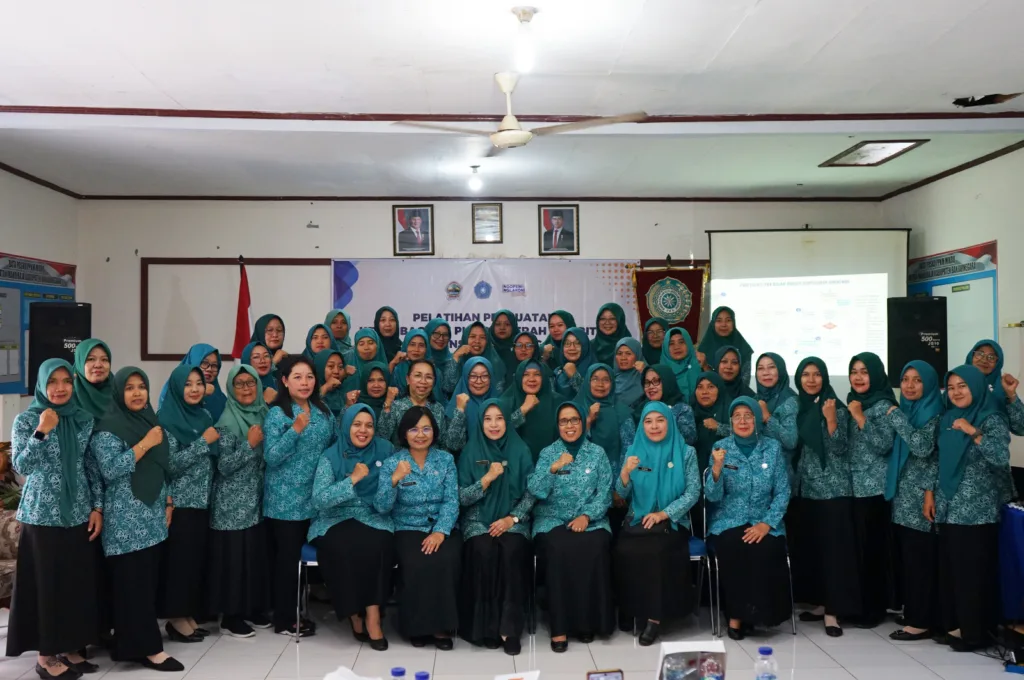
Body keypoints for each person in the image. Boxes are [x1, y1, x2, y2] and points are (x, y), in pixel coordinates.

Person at [7, 359, 103, 679]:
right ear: (42, 384)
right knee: (46, 587)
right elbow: (22, 466)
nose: (60, 388)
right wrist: (41, 431)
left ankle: (72, 648)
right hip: (42, 516)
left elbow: (90, 466)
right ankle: (46, 657)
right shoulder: (27, 419)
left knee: (74, 584)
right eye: (52, 382)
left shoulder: (82, 419)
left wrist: (97, 507)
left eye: (66, 381)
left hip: (77, 512)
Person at [90, 367, 182, 672]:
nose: (137, 393)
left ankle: (133, 644)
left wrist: (168, 501)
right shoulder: (108, 428)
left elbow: (161, 466)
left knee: (145, 584)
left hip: (153, 516)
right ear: (119, 393)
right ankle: (149, 649)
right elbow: (110, 470)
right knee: (133, 586)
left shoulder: (149, 420)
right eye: (129, 388)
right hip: (125, 522)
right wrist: (144, 444)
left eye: (141, 386)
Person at [934, 364, 1010, 652]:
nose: (955, 392)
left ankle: (976, 633)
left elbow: (1000, 456)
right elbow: (940, 459)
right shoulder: (948, 417)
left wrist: (972, 432)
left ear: (976, 387)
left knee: (974, 575)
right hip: (949, 506)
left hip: (977, 511)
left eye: (962, 386)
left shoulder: (991, 418)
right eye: (951, 387)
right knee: (954, 571)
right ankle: (957, 626)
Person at [529, 402, 615, 652]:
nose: (570, 425)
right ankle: (560, 628)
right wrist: (554, 468)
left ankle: (587, 622)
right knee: (559, 549)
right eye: (564, 421)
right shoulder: (548, 453)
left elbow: (605, 493)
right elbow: (536, 490)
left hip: (590, 520)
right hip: (552, 518)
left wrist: (587, 516)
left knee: (595, 546)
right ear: (557, 425)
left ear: (583, 423)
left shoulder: (597, 453)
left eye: (574, 420)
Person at [705, 397, 792, 640]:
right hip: (728, 519)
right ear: (731, 421)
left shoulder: (772, 448)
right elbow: (712, 496)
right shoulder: (721, 447)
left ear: (757, 419)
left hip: (764, 520)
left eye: (748, 416)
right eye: (737, 416)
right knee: (735, 546)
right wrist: (716, 469)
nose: (742, 421)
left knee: (766, 548)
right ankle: (736, 616)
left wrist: (766, 523)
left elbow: (783, 491)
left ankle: (760, 615)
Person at [614, 401, 700, 646]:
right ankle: (633, 608)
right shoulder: (634, 451)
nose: (654, 426)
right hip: (638, 519)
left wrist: (664, 513)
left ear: (669, 422)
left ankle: (654, 617)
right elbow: (621, 493)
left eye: (660, 420)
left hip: (672, 521)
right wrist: (625, 473)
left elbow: (693, 492)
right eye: (648, 421)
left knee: (655, 551)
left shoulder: (686, 453)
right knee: (624, 549)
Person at [374, 407, 461, 649]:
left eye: (426, 429)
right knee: (416, 562)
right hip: (407, 527)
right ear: (404, 433)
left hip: (442, 526)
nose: (420, 435)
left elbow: (451, 500)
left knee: (446, 559)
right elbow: (381, 507)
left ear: (434, 432)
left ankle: (442, 628)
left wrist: (440, 531)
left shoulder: (445, 460)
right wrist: (394, 480)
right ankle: (417, 628)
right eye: (414, 429)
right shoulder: (393, 463)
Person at [310, 404, 395, 651]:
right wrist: (352, 480)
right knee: (344, 547)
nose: (363, 430)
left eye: (369, 425)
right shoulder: (330, 456)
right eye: (357, 424)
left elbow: (387, 499)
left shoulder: (386, 450)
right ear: (346, 426)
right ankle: (354, 613)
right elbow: (319, 500)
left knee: (378, 545)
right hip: (335, 518)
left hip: (373, 515)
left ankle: (373, 615)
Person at [263, 355, 335, 637]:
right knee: (288, 562)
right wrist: (294, 430)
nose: (305, 383)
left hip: (316, 498)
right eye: (297, 377)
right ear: (284, 381)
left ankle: (303, 610)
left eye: (309, 377)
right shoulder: (277, 413)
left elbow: (332, 447)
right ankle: (285, 619)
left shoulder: (323, 411)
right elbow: (271, 457)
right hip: (285, 502)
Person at [457, 400, 536, 655]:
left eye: (499, 418)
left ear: (507, 421)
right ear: (481, 423)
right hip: (478, 519)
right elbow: (462, 498)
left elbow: (531, 493)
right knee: (484, 550)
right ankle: (486, 628)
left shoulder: (521, 450)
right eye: (488, 419)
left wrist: (513, 518)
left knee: (512, 551)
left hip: (512, 519)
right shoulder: (470, 452)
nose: (494, 424)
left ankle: (508, 629)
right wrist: (487, 479)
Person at [793, 357, 858, 637]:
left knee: (834, 554)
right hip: (807, 489)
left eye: (817, 374)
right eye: (805, 375)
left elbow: (841, 447)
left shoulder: (835, 406)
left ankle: (833, 612)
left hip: (833, 491)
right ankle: (821, 603)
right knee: (815, 551)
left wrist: (831, 419)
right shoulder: (800, 407)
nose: (811, 380)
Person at [158, 364, 220, 643]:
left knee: (194, 562)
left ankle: (187, 614)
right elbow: (169, 465)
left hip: (202, 501)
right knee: (179, 563)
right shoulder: (166, 420)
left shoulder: (204, 415)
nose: (194, 389)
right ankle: (175, 619)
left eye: (199, 383)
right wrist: (202, 442)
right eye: (187, 384)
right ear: (176, 387)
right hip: (179, 503)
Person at [208, 365, 270, 639]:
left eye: (251, 383)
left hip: (256, 499)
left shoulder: (264, 413)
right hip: (231, 504)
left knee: (252, 558)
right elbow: (223, 466)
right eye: (240, 384)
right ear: (231, 389)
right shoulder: (226, 422)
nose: (246, 388)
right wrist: (249, 444)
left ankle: (251, 608)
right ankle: (231, 617)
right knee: (234, 561)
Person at [885, 361, 942, 641]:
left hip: (922, 499)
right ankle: (914, 612)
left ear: (929, 384)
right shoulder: (910, 410)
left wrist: (897, 418)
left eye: (917, 380)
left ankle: (921, 621)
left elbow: (923, 448)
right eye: (905, 379)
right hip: (903, 498)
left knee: (920, 560)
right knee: (908, 559)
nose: (909, 385)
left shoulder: (934, 413)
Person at [846, 352, 897, 627]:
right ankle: (858, 605)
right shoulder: (853, 402)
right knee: (857, 552)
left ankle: (874, 609)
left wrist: (859, 417)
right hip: (854, 488)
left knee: (873, 552)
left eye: (864, 371)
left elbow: (883, 444)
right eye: (854, 371)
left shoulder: (883, 405)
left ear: (875, 374)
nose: (858, 377)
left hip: (875, 490)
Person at [377, 359, 448, 446]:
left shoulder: (438, 408)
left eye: (429, 377)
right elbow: (382, 438)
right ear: (408, 379)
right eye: (418, 375)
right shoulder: (395, 406)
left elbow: (442, 443)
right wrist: (387, 406)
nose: (423, 381)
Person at [754, 353, 799, 485]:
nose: (766, 373)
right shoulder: (756, 399)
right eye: (760, 368)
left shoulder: (790, 401)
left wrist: (767, 418)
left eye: (771, 367)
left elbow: (791, 441)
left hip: (780, 475)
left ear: (780, 370)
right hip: (756, 472)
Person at [502, 360, 556, 462]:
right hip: (516, 463)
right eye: (526, 375)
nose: (531, 379)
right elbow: (500, 433)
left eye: (537, 374)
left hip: (551, 464)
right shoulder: (505, 403)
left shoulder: (557, 402)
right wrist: (523, 410)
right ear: (518, 377)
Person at [160, 343, 227, 422]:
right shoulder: (173, 391)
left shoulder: (220, 397)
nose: (209, 369)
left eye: (214, 365)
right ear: (193, 362)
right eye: (204, 363)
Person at [444, 357, 497, 453]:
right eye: (473, 376)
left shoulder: (498, 404)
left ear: (491, 378)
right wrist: (460, 411)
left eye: (484, 376)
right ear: (465, 378)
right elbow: (453, 445)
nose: (479, 381)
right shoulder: (456, 404)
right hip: (465, 459)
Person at [636, 365, 697, 445]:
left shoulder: (682, 410)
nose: (651, 386)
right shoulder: (640, 409)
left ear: (667, 381)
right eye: (647, 382)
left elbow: (688, 440)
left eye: (656, 381)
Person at [697, 307, 753, 386]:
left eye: (728, 320)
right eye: (719, 320)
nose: (723, 325)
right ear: (713, 323)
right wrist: (706, 367)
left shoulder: (743, 348)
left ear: (733, 323)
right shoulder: (703, 350)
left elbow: (745, 382)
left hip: (737, 392)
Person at [390, 329, 443, 401]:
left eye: (421, 345)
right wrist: (393, 363)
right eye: (412, 344)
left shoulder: (435, 371)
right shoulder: (398, 370)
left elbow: (438, 398)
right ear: (406, 346)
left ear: (426, 349)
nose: (416, 349)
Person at [453, 321, 507, 392]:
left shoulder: (496, 364)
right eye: (472, 336)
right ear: (465, 339)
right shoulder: (457, 359)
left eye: (482, 337)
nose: (477, 341)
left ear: (487, 342)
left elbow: (498, 393)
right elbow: (448, 387)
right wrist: (455, 357)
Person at [72, 339, 114, 418]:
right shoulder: (65, 396)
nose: (98, 365)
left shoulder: (119, 393)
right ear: (79, 362)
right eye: (91, 359)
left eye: (104, 359)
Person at [660, 328, 702, 399]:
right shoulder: (659, 373)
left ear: (688, 343)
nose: (677, 347)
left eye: (681, 342)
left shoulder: (700, 366)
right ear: (665, 347)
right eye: (671, 343)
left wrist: (706, 367)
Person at [553, 327, 591, 399]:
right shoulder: (557, 372)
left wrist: (574, 376)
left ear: (585, 346)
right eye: (567, 343)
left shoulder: (596, 371)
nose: (572, 348)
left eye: (577, 343)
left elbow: (592, 398)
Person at [426, 318, 458, 398]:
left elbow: (449, 389)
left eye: (445, 335)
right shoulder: (420, 360)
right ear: (428, 334)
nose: (441, 338)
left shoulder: (453, 361)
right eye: (436, 334)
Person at [612, 338, 646, 411]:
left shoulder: (646, 377)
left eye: (628, 353)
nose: (623, 358)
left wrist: (644, 373)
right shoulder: (609, 378)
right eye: (619, 353)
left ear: (637, 355)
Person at [489, 310, 520, 388]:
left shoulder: (521, 349)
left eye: (507, 324)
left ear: (513, 326)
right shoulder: (486, 348)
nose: (502, 328)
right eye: (498, 324)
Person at [314, 349, 348, 417]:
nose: (336, 371)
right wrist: (325, 388)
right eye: (331, 366)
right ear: (320, 367)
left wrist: (348, 406)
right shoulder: (308, 392)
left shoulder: (344, 393)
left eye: (340, 367)